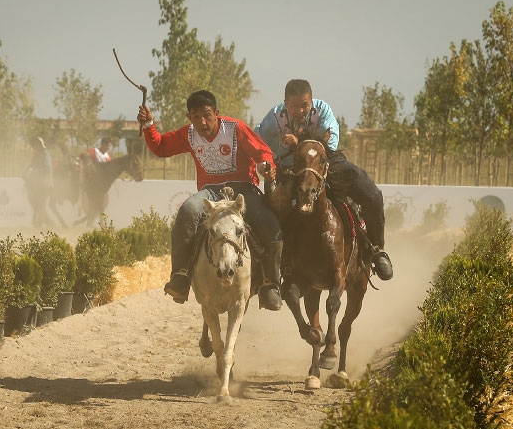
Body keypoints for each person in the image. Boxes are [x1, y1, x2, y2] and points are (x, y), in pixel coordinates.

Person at [137, 90, 283, 311]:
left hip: (243, 190)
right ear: (189, 117)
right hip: (210, 193)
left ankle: (270, 284)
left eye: (207, 115)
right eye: (196, 117)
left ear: (217, 113)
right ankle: (181, 276)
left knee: (270, 223)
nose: (202, 122)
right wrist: (149, 125)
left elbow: (262, 152)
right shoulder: (188, 134)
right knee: (187, 210)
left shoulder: (236, 128)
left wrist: (265, 166)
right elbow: (161, 147)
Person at [255, 79, 393, 282]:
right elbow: (257, 138)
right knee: (272, 206)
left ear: (311, 101)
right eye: (294, 106)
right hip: (291, 169)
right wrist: (264, 162)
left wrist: (299, 141)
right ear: (285, 103)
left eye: (304, 105)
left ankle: (377, 250)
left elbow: (331, 141)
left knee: (372, 194)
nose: (300, 110)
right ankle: (271, 271)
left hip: (327, 163)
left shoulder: (323, 110)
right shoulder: (274, 116)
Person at [23, 136, 53, 227]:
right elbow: (31, 165)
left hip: (45, 181)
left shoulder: (46, 154)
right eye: (34, 145)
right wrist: (26, 172)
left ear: (41, 145)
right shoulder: (35, 155)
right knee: (32, 199)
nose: (35, 146)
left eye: (37, 144)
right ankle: (48, 221)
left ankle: (40, 222)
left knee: (41, 202)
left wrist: (37, 172)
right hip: (35, 181)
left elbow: (48, 168)